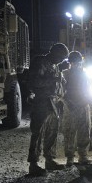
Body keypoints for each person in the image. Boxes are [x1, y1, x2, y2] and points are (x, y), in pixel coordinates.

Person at [27, 43, 69, 176]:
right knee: (38, 132)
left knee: (53, 131)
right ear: (53, 52)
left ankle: (49, 160)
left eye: (63, 58)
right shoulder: (40, 62)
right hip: (42, 101)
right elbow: (34, 82)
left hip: (53, 102)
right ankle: (33, 164)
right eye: (61, 57)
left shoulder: (55, 66)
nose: (61, 60)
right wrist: (53, 78)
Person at [61, 51, 92, 166]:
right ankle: (70, 158)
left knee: (84, 132)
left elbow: (87, 90)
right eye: (74, 63)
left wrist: (89, 100)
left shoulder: (84, 74)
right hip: (71, 107)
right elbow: (61, 92)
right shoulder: (65, 74)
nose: (77, 65)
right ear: (70, 63)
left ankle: (83, 157)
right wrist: (68, 103)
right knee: (69, 132)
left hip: (83, 106)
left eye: (78, 63)